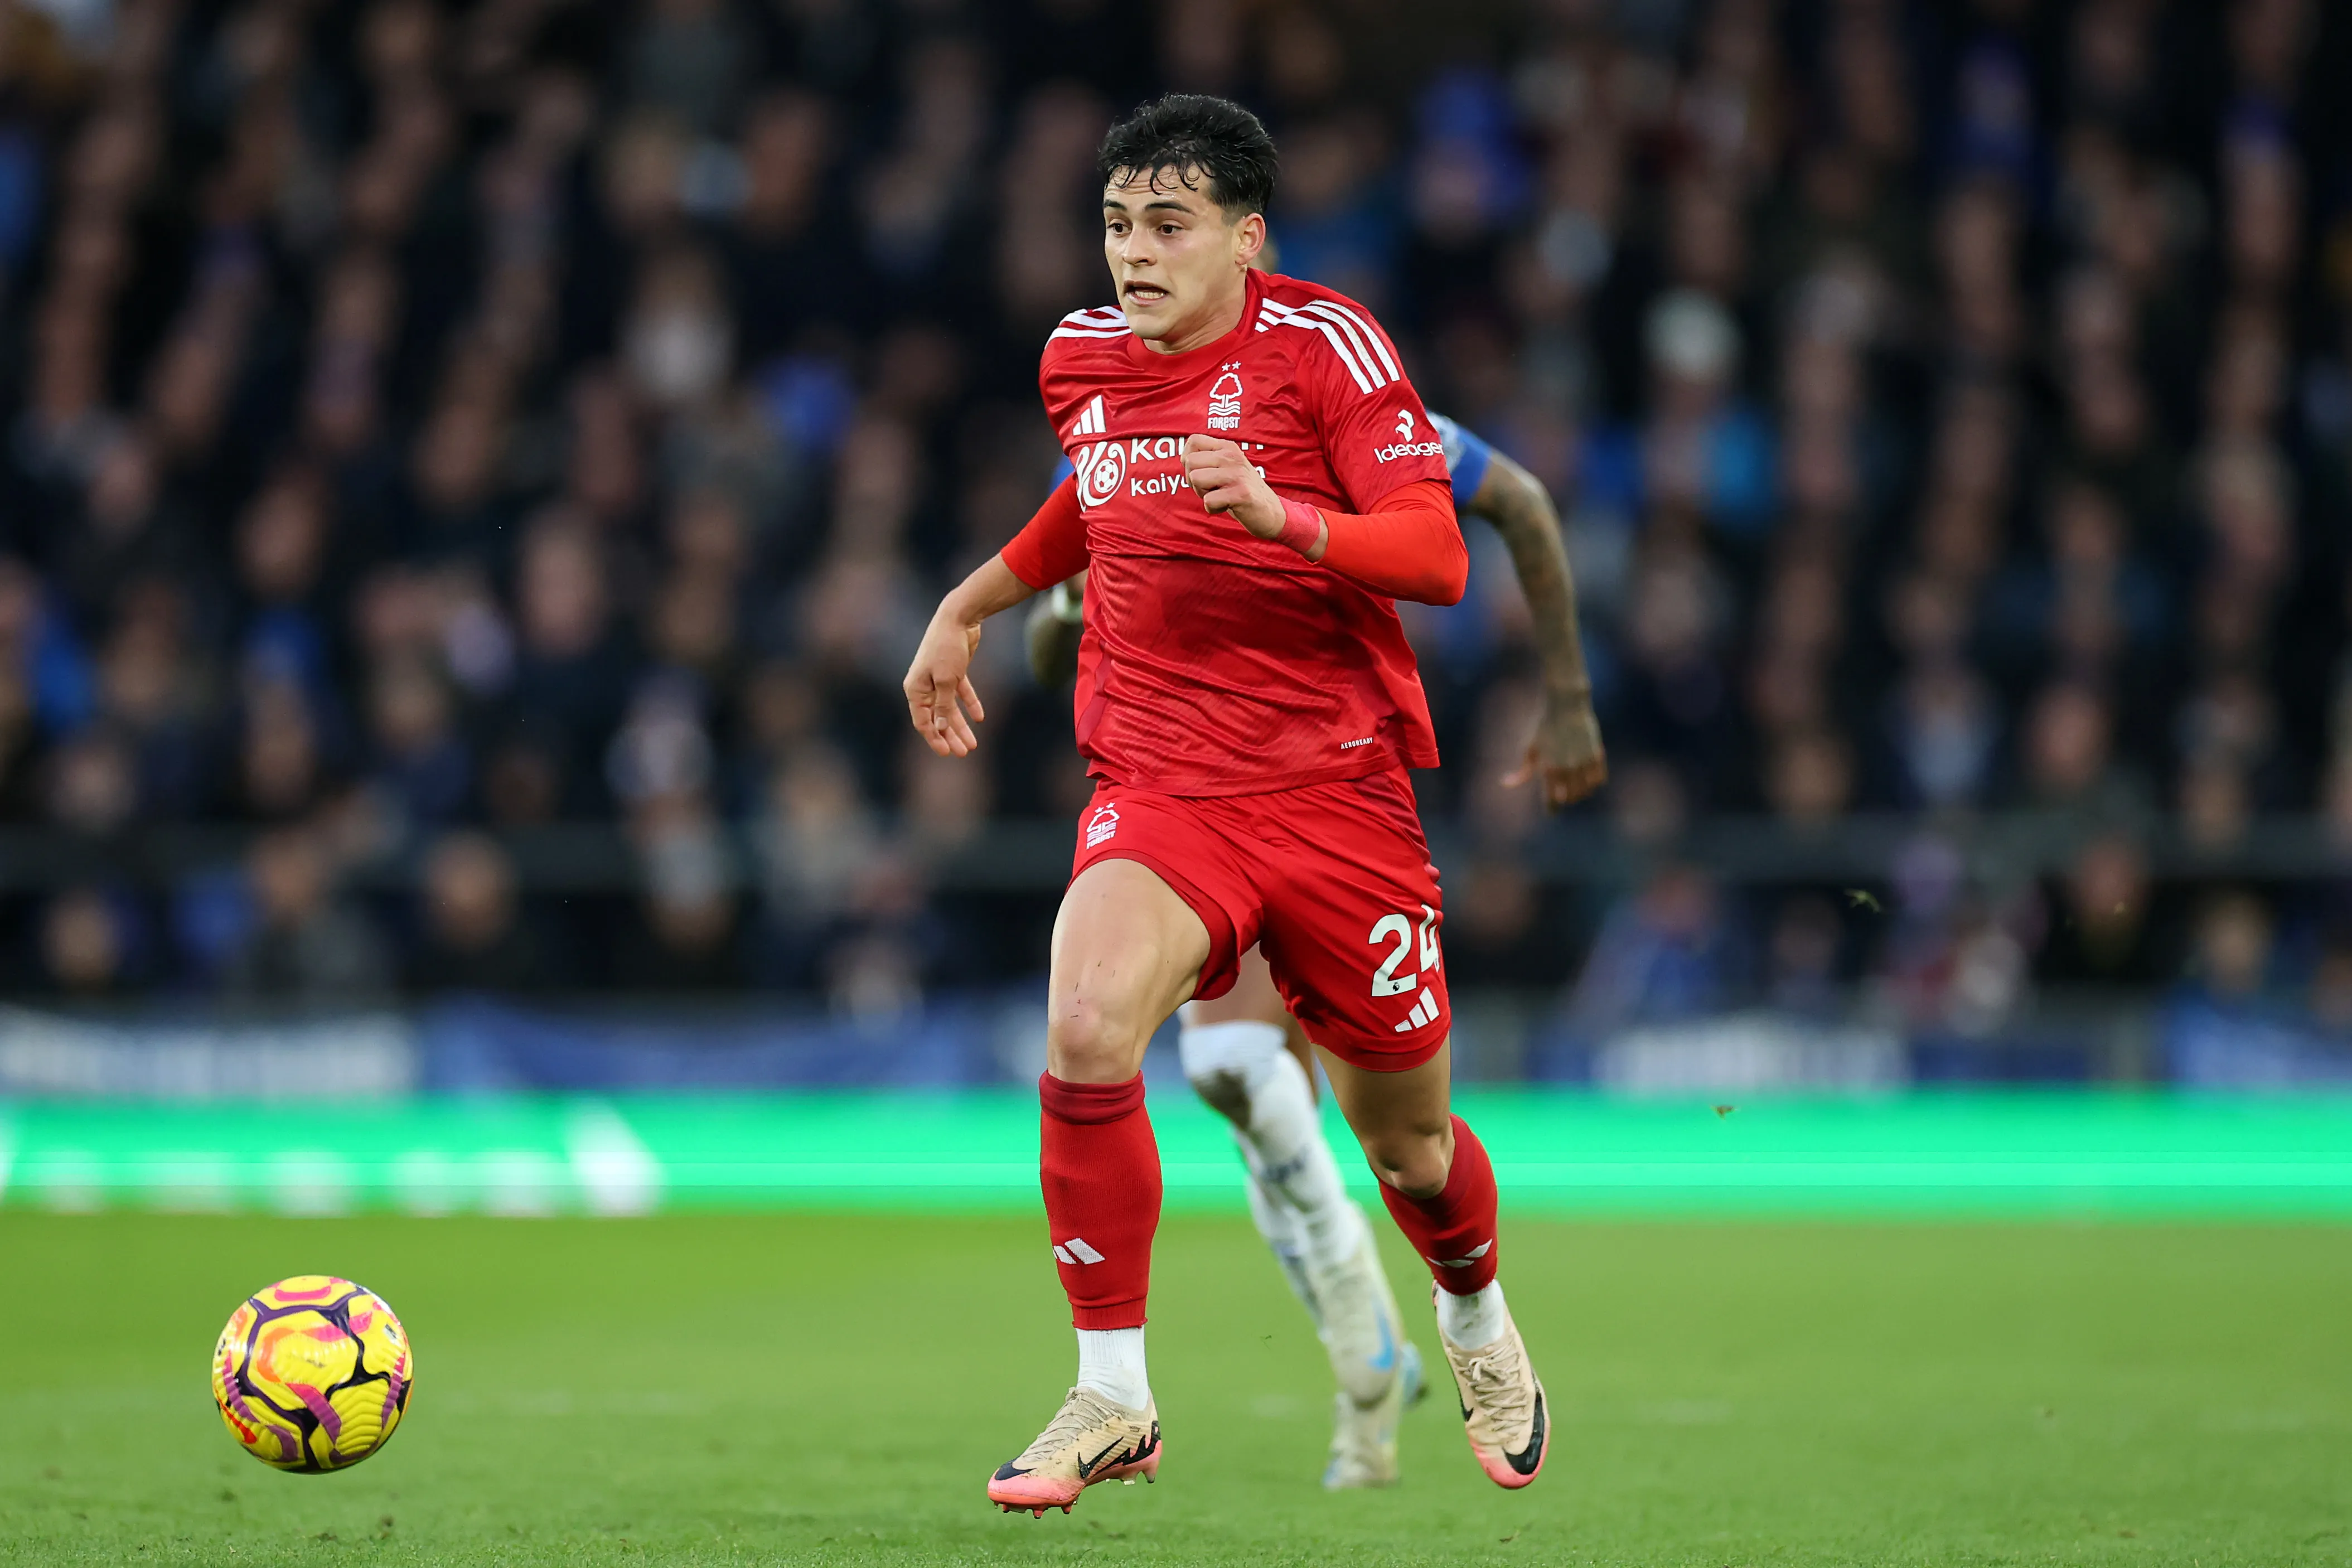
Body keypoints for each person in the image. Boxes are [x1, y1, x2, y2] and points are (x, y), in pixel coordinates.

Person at [903, 94, 1584, 1514]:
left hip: (1339, 796)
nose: (1132, 255)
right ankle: (1114, 1391)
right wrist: (967, 606)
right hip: (1161, 781)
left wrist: (1286, 517)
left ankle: (1471, 1317)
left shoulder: (1329, 348)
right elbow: (1087, 505)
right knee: (1090, 1024)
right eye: (1114, 226)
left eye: (1167, 226)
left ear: (1245, 237)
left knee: (1408, 1139)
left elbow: (1443, 553)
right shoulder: (1079, 358)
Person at [1023, 412, 1605, 1489]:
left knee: (1406, 1147)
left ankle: (1438, 1322)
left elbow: (1517, 504)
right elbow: (1046, 630)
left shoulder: (1377, 418)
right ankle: (1354, 1342)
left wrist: (1566, 693)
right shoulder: (1135, 434)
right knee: (1228, 1066)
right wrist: (1072, 603)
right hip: (1196, 799)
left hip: (1347, 793)